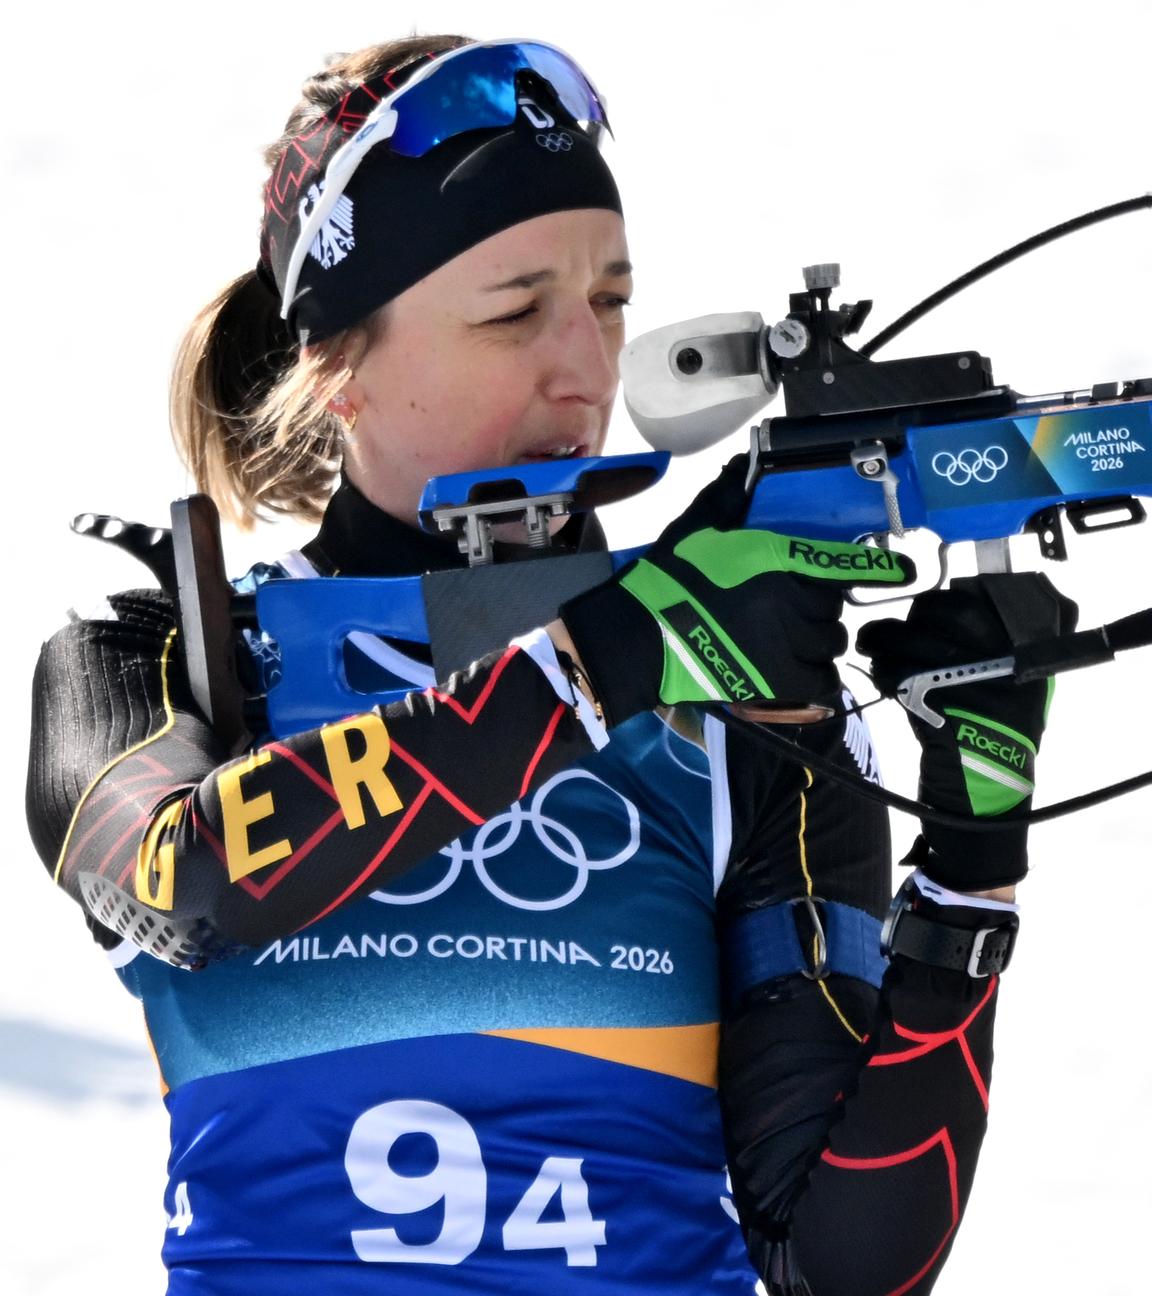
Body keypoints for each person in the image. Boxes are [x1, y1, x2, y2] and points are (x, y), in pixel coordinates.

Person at [24, 34, 1071, 1296]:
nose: (586, 369)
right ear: (336, 362)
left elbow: (841, 1265)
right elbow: (175, 880)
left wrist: (970, 872)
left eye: (612, 303)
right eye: (516, 311)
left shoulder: (740, 688)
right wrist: (617, 656)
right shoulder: (163, 657)